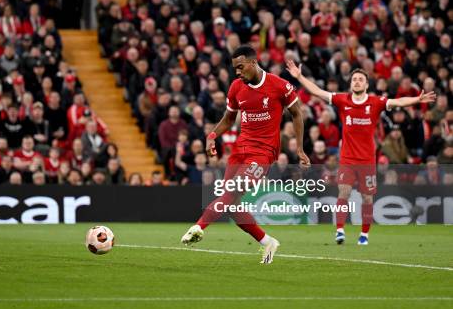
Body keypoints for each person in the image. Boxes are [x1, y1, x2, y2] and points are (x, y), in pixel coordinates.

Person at [181, 46, 309, 264]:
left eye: (240, 67)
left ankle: (198, 227)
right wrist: (212, 135)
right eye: (234, 69)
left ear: (253, 62)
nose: (237, 72)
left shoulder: (279, 86)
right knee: (231, 204)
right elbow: (229, 119)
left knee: (230, 192)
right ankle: (267, 241)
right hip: (240, 151)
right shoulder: (236, 87)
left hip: (263, 153)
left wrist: (299, 148)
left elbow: (297, 113)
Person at [286, 60, 435, 245]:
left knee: (366, 197)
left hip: (367, 160)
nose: (357, 82)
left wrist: (417, 100)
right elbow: (317, 91)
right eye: (354, 79)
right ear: (350, 84)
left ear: (366, 84)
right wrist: (299, 76)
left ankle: (364, 235)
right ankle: (339, 230)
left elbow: (398, 102)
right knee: (344, 192)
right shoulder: (342, 100)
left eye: (360, 80)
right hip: (347, 158)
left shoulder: (375, 102)